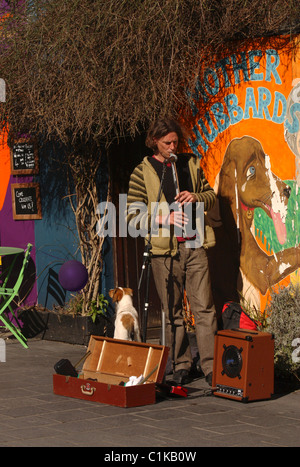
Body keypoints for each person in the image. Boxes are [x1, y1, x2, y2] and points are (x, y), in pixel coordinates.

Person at [127, 117, 217, 386]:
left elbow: (211, 196)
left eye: (176, 141)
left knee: (205, 309)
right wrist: (163, 218)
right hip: (164, 253)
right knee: (172, 311)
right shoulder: (142, 172)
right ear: (155, 141)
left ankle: (211, 366)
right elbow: (132, 215)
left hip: (194, 245)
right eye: (167, 142)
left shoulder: (190, 164)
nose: (173, 146)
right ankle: (181, 364)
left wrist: (197, 197)